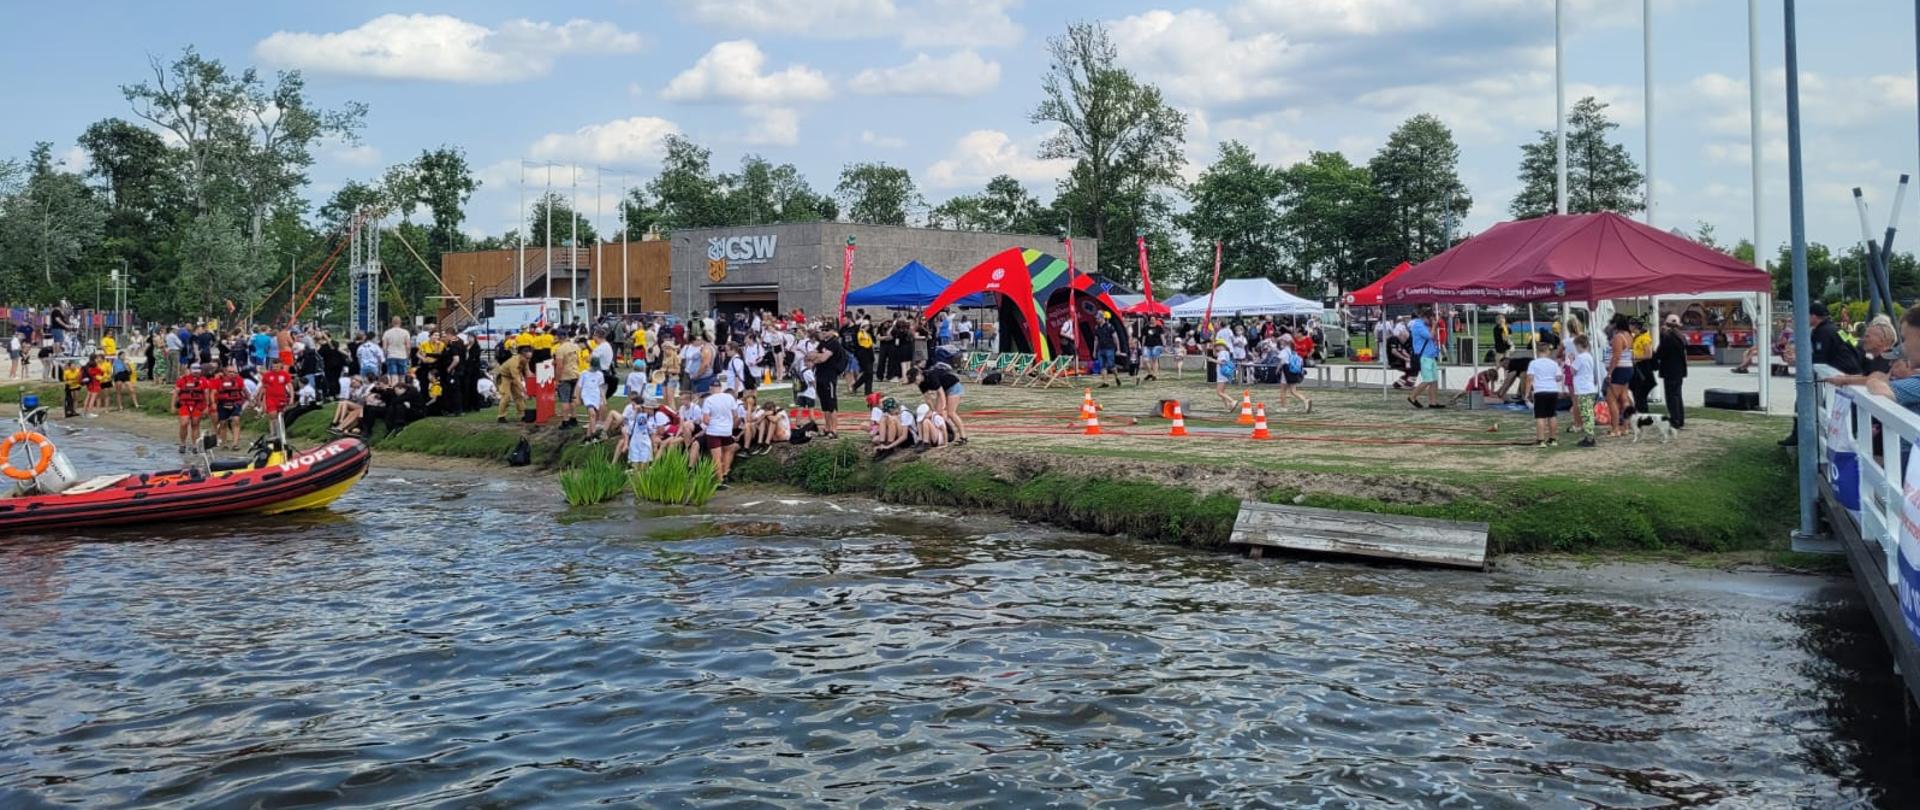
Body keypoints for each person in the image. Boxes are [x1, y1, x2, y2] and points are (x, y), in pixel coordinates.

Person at [1783, 302, 1863, 446]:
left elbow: (1819, 360)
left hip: (1842, 375)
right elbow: (1856, 347)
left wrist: (1798, 360)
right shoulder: (1838, 329)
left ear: (1813, 316)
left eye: (1806, 315)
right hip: (1854, 373)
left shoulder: (1822, 332)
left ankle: (1800, 437)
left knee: (1809, 403)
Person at [909, 363, 969, 445]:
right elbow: (927, 398)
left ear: (919, 374)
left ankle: (963, 437)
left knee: (951, 413)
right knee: (937, 413)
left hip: (953, 387)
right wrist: (933, 410)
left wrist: (944, 407)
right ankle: (946, 436)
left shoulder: (931, 376)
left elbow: (941, 393)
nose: (915, 382)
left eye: (915, 380)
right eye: (913, 381)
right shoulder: (921, 384)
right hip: (944, 389)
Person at [808, 325, 849, 438]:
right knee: (824, 403)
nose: (824, 332)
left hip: (830, 375)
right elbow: (810, 356)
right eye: (822, 330)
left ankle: (834, 429)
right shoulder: (823, 343)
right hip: (820, 374)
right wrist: (818, 356)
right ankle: (827, 427)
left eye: (827, 330)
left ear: (832, 331)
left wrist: (817, 356)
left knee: (831, 403)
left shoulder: (834, 343)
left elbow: (822, 358)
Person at [1654, 314, 1690, 430]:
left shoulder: (1668, 337)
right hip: (1679, 370)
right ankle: (1680, 419)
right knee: (1677, 395)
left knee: (1671, 396)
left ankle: (1674, 420)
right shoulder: (1681, 336)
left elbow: (1660, 353)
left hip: (1670, 370)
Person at [1525, 346, 1564, 448]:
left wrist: (1526, 394)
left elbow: (1529, 379)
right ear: (1548, 352)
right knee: (1552, 415)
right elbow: (1559, 377)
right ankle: (1553, 439)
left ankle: (1541, 440)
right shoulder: (1554, 363)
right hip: (1552, 391)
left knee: (1540, 416)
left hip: (1540, 391)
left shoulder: (1533, 363)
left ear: (1538, 352)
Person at [1605, 316, 1636, 438]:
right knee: (1624, 398)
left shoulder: (1618, 337)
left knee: (1611, 399)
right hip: (1628, 368)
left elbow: (1616, 357)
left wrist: (1610, 372)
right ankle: (1626, 427)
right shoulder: (1629, 336)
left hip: (1619, 369)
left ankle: (1615, 428)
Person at [1407, 309, 1443, 408]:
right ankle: (1412, 396)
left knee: (1434, 380)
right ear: (1426, 317)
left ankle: (1433, 402)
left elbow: (1434, 336)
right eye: (1431, 319)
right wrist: (1434, 326)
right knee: (1428, 380)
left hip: (1431, 356)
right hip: (1424, 357)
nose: (1432, 321)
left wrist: (1434, 327)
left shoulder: (1427, 325)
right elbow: (1429, 336)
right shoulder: (1418, 325)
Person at [174, 362, 213, 453]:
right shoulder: (182, 380)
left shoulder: (203, 381)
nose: (196, 372)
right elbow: (176, 393)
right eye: (194, 370)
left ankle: (195, 445)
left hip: (198, 405)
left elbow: (207, 394)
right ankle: (182, 444)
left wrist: (207, 407)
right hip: (185, 404)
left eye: (198, 370)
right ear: (190, 370)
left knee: (195, 424)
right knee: (184, 423)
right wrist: (173, 405)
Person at [1569, 334, 1599, 447]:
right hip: (1588, 388)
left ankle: (1590, 437)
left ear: (1579, 345)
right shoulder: (1589, 356)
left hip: (1583, 389)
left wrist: (1571, 360)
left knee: (1586, 413)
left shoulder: (1581, 357)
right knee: (1588, 412)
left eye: (1576, 346)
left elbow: (1573, 371)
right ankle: (1589, 435)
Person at [212, 364, 248, 448]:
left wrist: (250, 399)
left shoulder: (239, 380)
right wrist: (213, 403)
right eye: (229, 372)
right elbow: (213, 392)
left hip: (235, 402)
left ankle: (235, 444)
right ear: (225, 372)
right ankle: (224, 443)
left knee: (236, 420)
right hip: (223, 403)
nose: (232, 374)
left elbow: (244, 390)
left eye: (233, 372)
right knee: (223, 423)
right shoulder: (218, 381)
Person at [614, 397, 654, 469]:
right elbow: (628, 432)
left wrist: (641, 410)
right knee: (635, 467)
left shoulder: (650, 418)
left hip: (645, 444)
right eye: (632, 405)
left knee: (643, 468)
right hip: (634, 444)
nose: (633, 407)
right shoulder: (632, 419)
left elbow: (650, 431)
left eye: (633, 405)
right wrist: (626, 444)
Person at [495, 345, 532, 423]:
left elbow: (528, 373)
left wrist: (534, 381)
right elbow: (517, 379)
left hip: (513, 377)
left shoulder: (525, 361)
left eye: (530, 358)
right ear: (521, 355)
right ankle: (501, 416)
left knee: (519, 396)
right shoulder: (514, 362)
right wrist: (524, 391)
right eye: (527, 358)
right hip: (504, 377)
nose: (528, 360)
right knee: (506, 396)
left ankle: (523, 415)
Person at [553, 332, 581, 429]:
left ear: (559, 338)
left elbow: (559, 366)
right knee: (572, 398)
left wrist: (557, 380)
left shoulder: (560, 349)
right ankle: (574, 419)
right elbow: (578, 360)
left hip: (565, 376)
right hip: (575, 374)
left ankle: (565, 421)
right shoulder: (574, 346)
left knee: (564, 400)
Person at [579, 357, 608, 440]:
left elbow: (601, 387)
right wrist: (577, 397)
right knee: (593, 414)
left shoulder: (600, 375)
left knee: (592, 417)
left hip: (595, 397)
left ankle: (588, 437)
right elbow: (579, 386)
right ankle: (595, 433)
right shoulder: (584, 373)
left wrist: (604, 398)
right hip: (587, 396)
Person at [381, 317, 411, 384]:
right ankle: (402, 390)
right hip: (402, 356)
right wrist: (408, 356)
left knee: (393, 376)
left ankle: (393, 390)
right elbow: (408, 346)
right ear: (400, 322)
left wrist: (385, 355)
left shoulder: (387, 333)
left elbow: (384, 347)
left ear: (392, 323)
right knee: (402, 376)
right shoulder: (406, 332)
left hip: (391, 356)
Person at [1212, 337, 1237, 411]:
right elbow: (1215, 354)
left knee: (1219, 392)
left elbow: (1222, 362)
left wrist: (1212, 360)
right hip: (1224, 374)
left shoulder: (1222, 353)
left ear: (1224, 346)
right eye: (1217, 345)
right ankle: (1227, 407)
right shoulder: (1225, 352)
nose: (1218, 347)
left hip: (1222, 375)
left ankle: (1232, 401)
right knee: (1222, 392)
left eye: (1220, 345)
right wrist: (1213, 347)